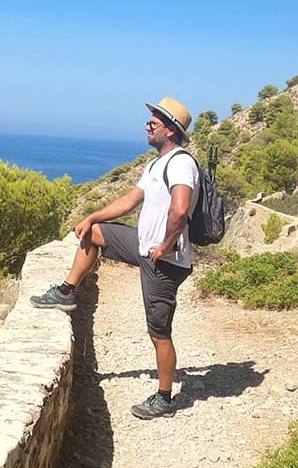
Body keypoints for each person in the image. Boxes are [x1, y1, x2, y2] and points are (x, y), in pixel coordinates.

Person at [30, 96, 200, 420]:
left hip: (163, 261)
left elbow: (180, 209)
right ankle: (66, 292)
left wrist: (165, 245)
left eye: (155, 121)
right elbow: (129, 201)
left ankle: (164, 398)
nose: (148, 125)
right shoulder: (155, 165)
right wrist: (92, 216)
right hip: (143, 245)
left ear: (171, 130)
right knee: (94, 233)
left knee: (159, 332)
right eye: (150, 119)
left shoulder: (180, 163)